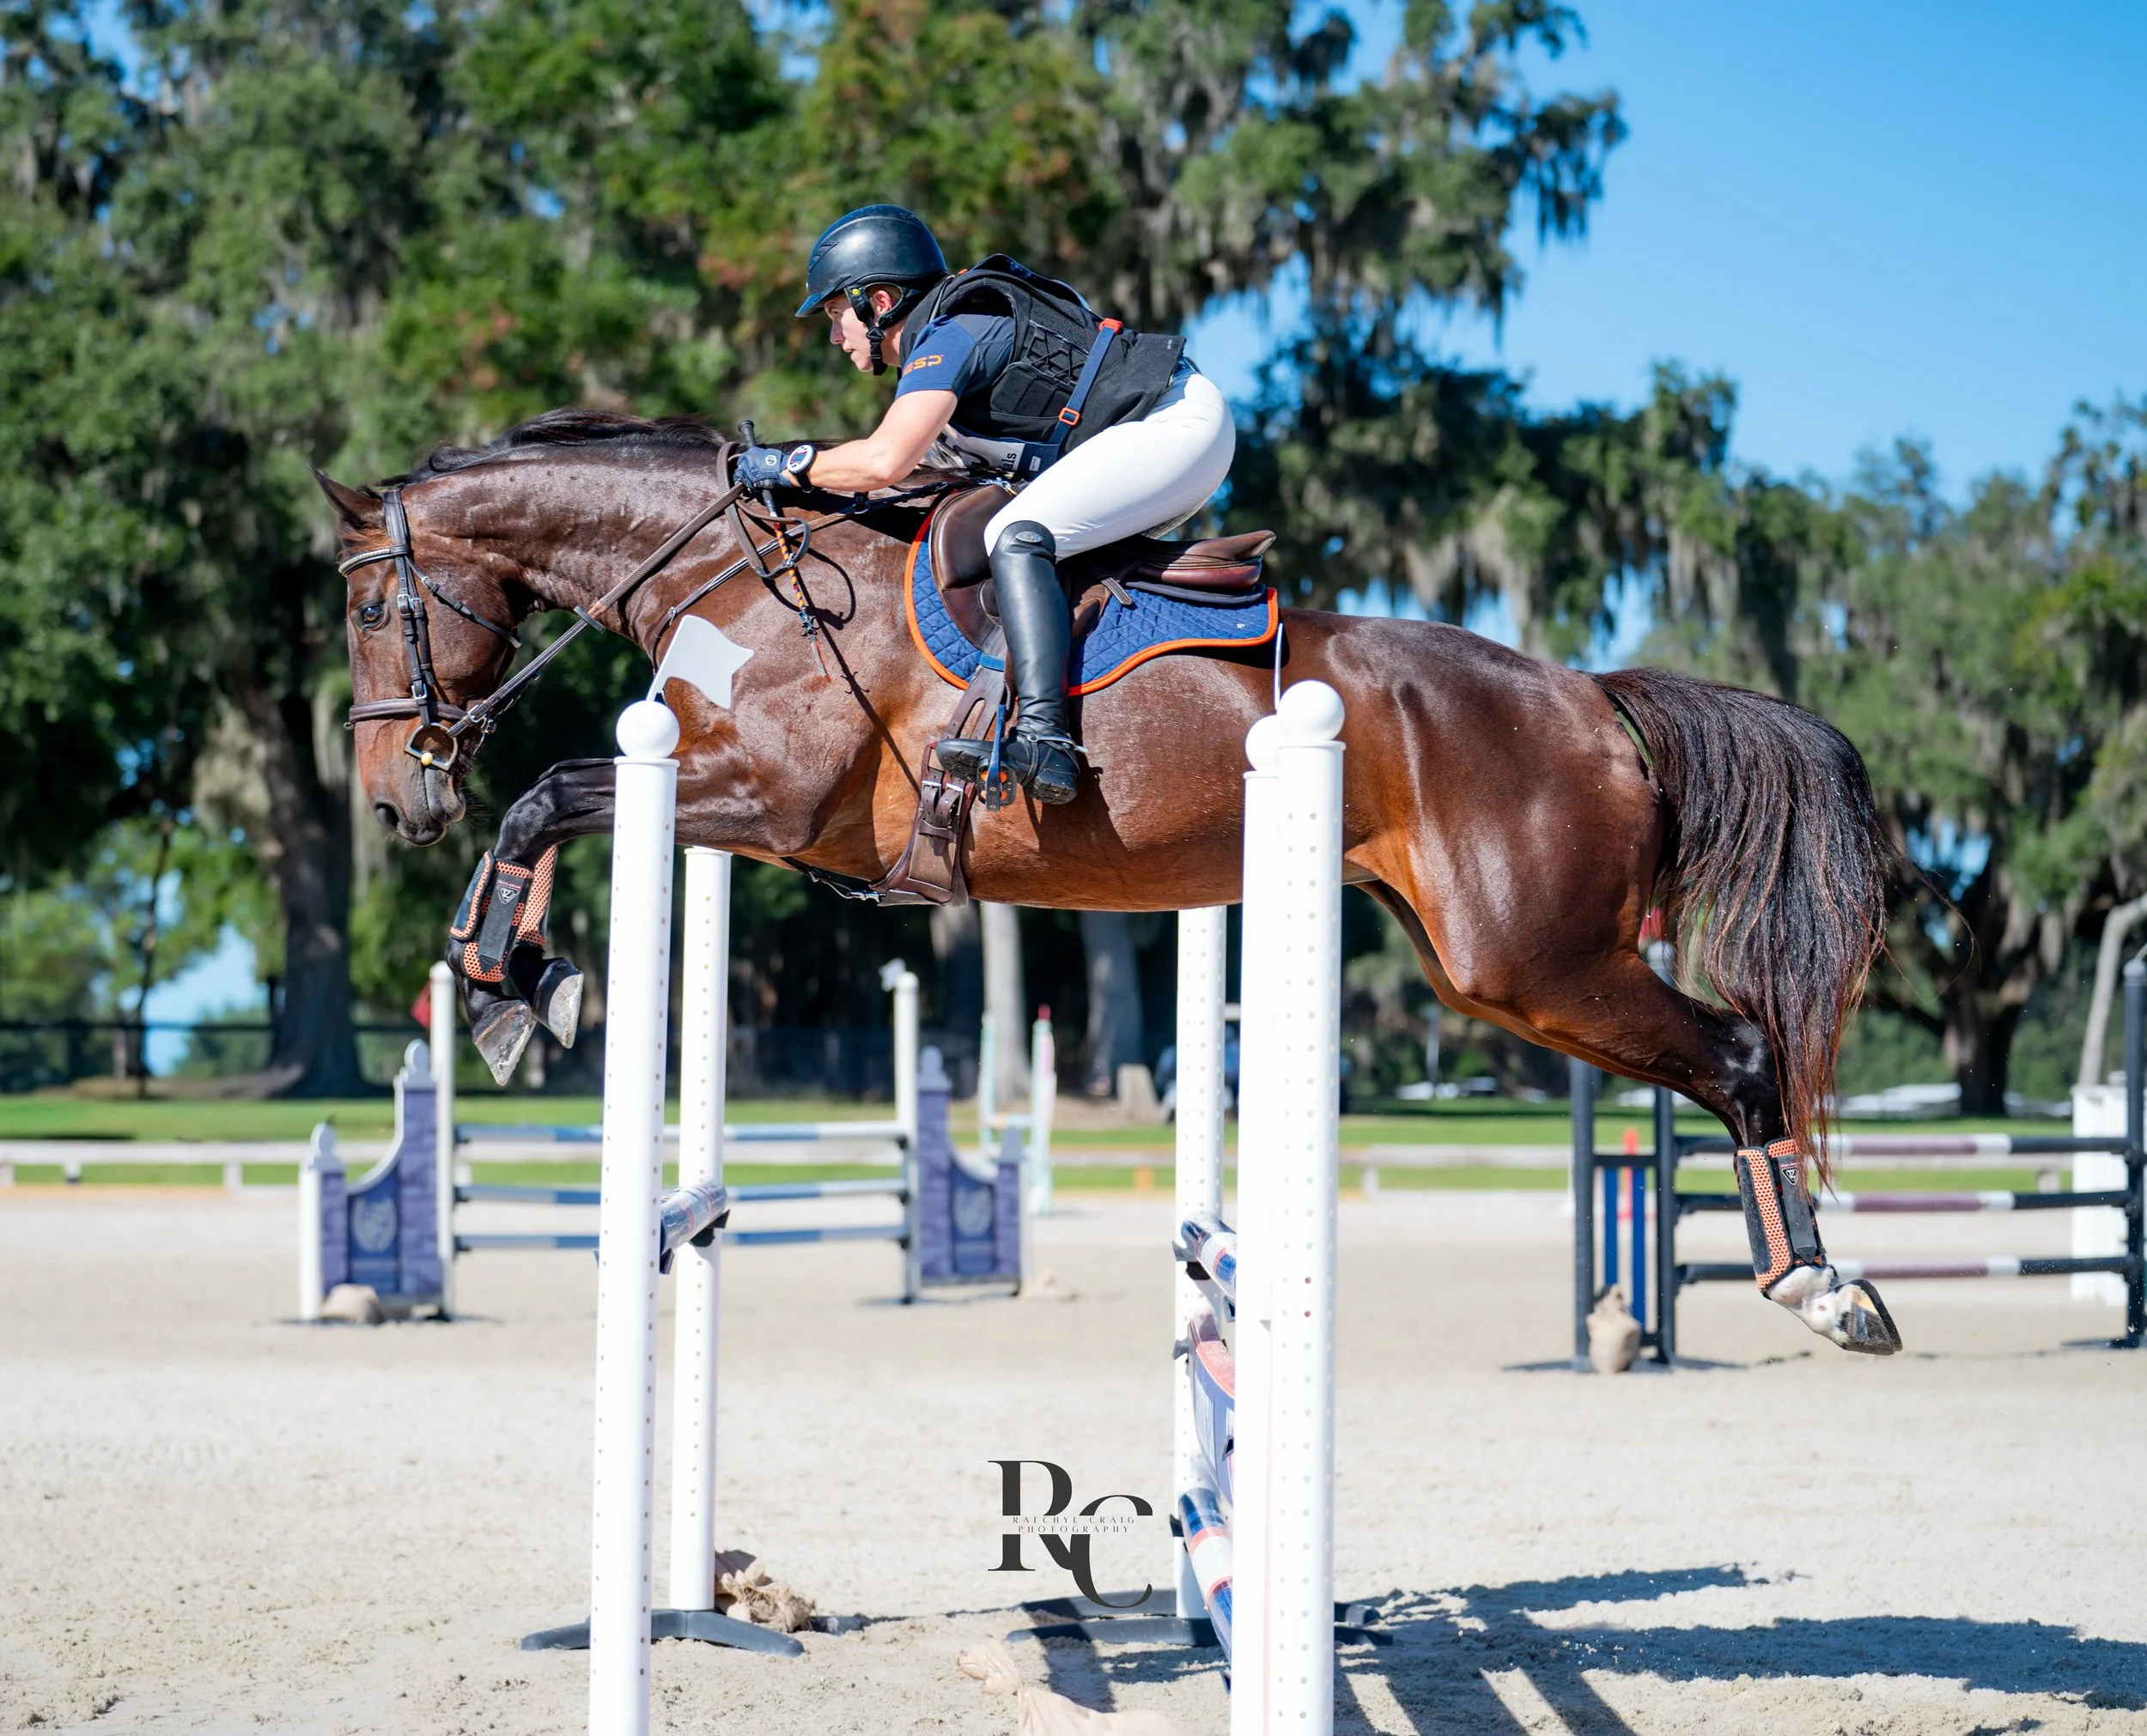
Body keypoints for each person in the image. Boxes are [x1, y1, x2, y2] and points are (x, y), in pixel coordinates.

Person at [736, 205, 1236, 804]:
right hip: (1160, 431)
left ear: (883, 301)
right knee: (1018, 535)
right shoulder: (946, 339)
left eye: (836, 312)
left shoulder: (951, 336)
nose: (833, 335)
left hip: (1175, 425)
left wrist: (788, 465)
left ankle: (1046, 739)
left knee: (1017, 534)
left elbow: (882, 463)